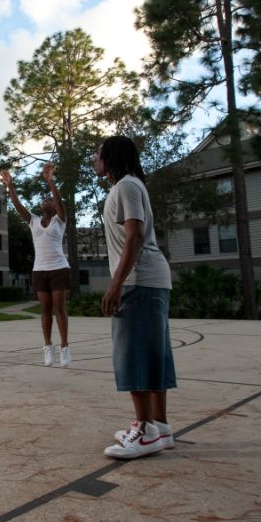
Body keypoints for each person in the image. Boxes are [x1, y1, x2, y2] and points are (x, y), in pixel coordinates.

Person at [93, 135, 176, 459]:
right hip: (152, 280)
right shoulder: (130, 185)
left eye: (98, 154)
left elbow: (135, 235)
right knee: (154, 355)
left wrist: (116, 284)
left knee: (133, 355)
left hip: (139, 282)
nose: (95, 160)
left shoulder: (126, 186)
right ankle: (160, 427)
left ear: (111, 157)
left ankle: (143, 430)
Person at [0, 164, 71, 367]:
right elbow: (17, 203)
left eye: (49, 200)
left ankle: (65, 347)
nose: (46, 200)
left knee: (59, 307)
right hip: (40, 270)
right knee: (45, 308)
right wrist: (10, 186)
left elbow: (58, 201)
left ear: (55, 207)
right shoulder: (34, 221)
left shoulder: (60, 220)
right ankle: (48, 346)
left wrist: (51, 181)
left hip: (58, 268)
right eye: (44, 199)